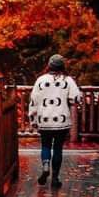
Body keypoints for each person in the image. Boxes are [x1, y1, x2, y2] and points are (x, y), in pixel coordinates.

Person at [28, 54, 82, 188]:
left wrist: (32, 117)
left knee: (45, 145)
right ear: (62, 66)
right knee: (58, 148)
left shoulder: (40, 80)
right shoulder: (68, 80)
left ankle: (45, 166)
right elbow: (75, 99)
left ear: (49, 66)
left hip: (44, 119)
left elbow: (34, 100)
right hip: (61, 120)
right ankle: (55, 178)